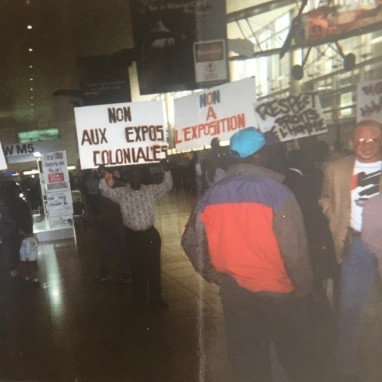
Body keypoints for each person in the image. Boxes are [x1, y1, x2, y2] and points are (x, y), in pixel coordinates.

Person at [182, 127, 317, 382]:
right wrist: (304, 290)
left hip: (235, 293)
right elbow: (295, 252)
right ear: (259, 156)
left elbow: (191, 242)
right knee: (296, 358)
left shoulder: (210, 195)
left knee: (248, 360)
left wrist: (216, 275)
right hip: (278, 292)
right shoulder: (278, 194)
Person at [319, 119, 382, 381]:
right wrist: (335, 216)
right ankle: (346, 359)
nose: (366, 145)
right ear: (351, 142)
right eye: (361, 140)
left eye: (373, 140)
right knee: (349, 306)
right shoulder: (337, 168)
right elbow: (324, 197)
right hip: (355, 244)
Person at [99, 161, 172, 313]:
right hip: (132, 236)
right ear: (128, 178)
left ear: (141, 177)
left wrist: (166, 169)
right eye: (132, 176)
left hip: (150, 235)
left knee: (153, 269)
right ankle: (139, 302)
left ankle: (156, 300)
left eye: (138, 175)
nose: (135, 178)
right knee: (137, 270)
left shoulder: (150, 190)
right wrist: (102, 175)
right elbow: (105, 191)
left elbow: (167, 185)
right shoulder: (121, 193)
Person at [97, 166, 131, 283]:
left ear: (111, 174)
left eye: (105, 174)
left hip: (120, 222)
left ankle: (127, 273)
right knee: (105, 249)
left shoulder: (121, 186)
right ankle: (104, 272)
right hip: (107, 223)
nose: (103, 176)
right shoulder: (102, 187)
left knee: (124, 249)